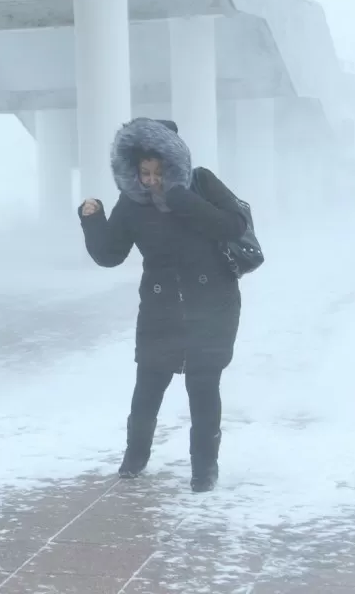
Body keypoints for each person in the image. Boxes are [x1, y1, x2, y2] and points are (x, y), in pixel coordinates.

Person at [78, 117, 247, 493]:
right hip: (160, 309)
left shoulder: (201, 183)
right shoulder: (132, 203)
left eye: (158, 172)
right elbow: (109, 255)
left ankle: (205, 472)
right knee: (148, 388)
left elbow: (234, 226)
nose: (151, 180)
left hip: (213, 305)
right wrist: (92, 221)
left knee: (203, 390)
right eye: (144, 172)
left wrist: (182, 200)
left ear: (174, 165)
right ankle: (134, 460)